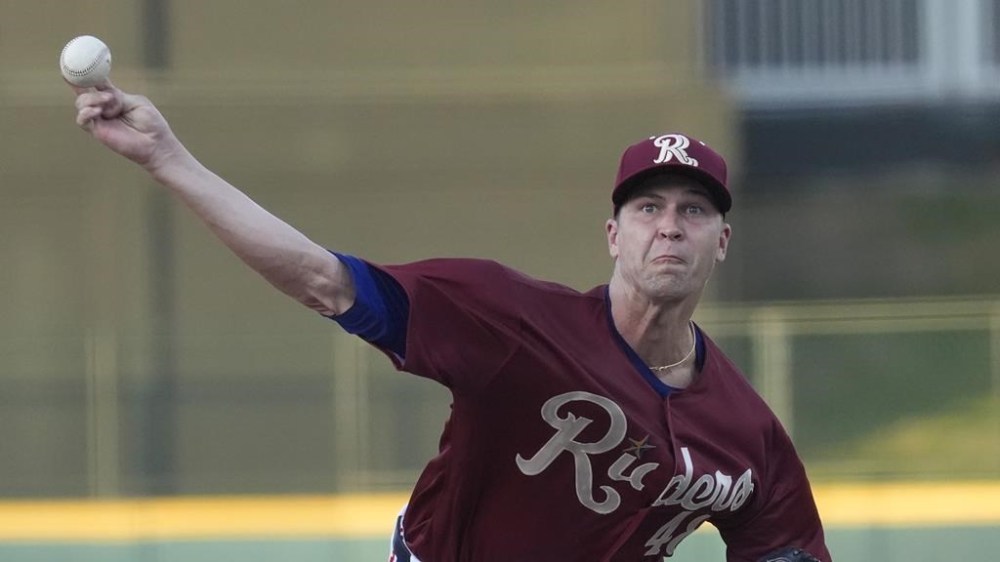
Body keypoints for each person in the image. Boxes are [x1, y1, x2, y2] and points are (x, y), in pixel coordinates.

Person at [71, 81, 831, 562]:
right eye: (648, 208)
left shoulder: (747, 434)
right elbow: (319, 279)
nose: (670, 227)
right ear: (614, 234)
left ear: (721, 241)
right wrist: (167, 157)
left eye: (693, 211)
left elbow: (784, 548)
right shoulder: (511, 321)